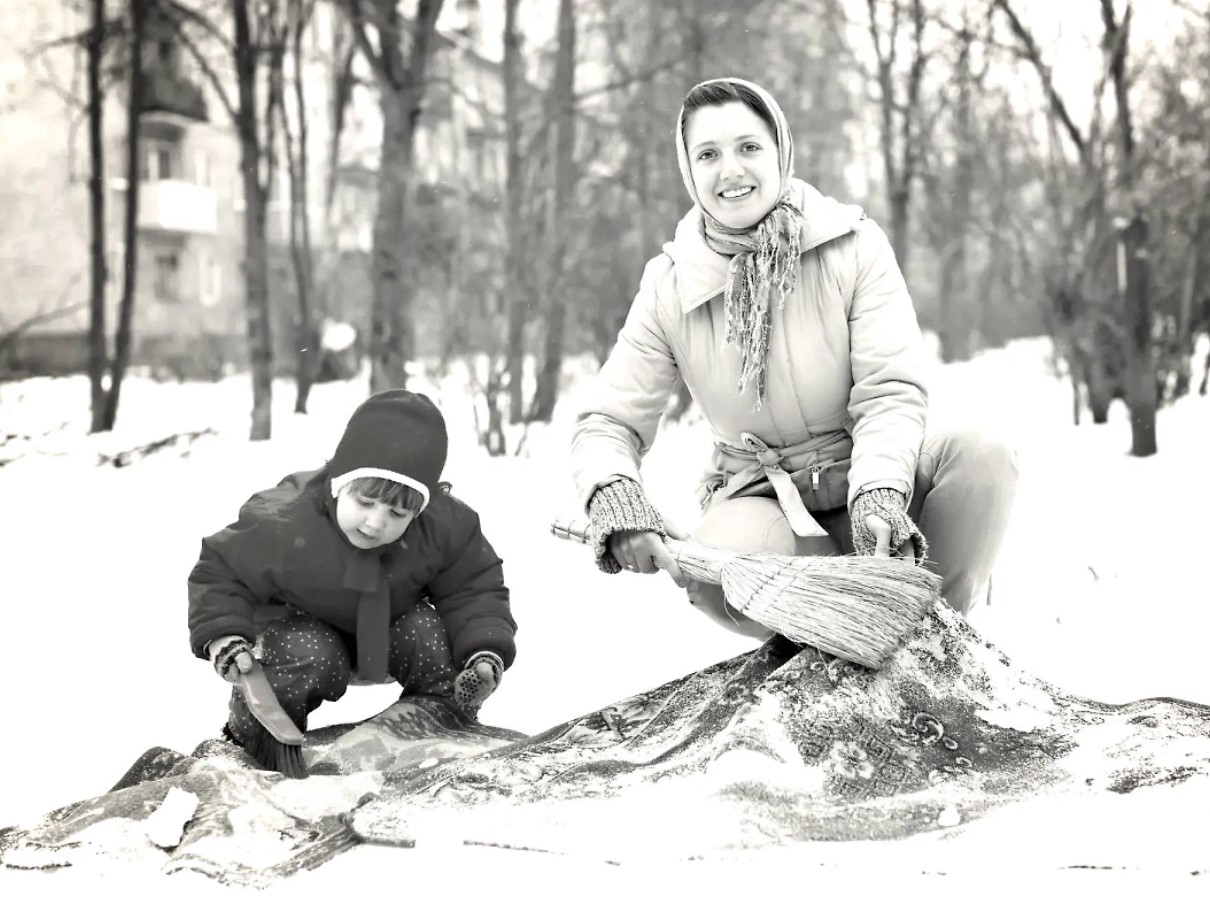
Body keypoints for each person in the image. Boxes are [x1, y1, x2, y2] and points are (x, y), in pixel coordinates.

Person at [570, 77, 1017, 638]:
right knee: (717, 574)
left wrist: (879, 493)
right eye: (708, 154)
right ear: (688, 170)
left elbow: (890, 393)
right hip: (764, 502)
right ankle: (835, 637)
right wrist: (616, 497)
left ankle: (936, 640)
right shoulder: (670, 285)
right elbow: (609, 421)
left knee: (982, 455)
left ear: (780, 150)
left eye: (749, 147)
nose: (730, 169)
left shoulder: (853, 246)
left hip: (872, 480)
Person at [189, 389, 517, 775]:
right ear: (339, 483)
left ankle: (440, 713)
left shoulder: (444, 528)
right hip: (305, 632)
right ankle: (252, 737)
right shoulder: (283, 522)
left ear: (420, 510)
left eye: (396, 513)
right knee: (311, 650)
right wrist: (224, 636)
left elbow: (474, 586)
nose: (375, 523)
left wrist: (484, 650)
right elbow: (222, 569)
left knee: (425, 628)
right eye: (364, 503)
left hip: (385, 627)